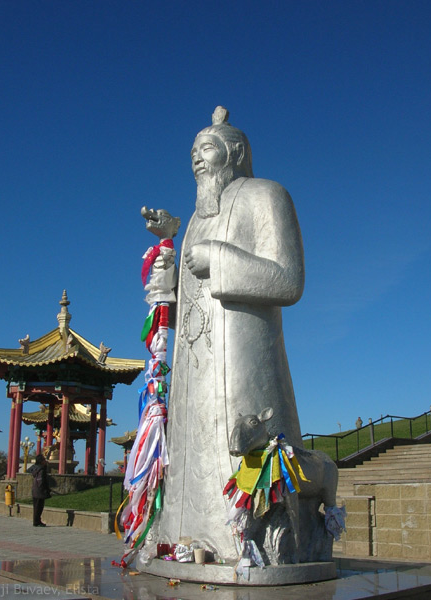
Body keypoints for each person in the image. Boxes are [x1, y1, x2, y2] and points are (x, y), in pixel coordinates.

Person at [153, 107, 305, 563]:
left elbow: (288, 279)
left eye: (206, 148)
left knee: (246, 446)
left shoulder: (267, 195)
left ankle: (248, 542)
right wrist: (168, 283)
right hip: (195, 367)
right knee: (194, 446)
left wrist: (218, 256)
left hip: (245, 355)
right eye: (193, 152)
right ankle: (187, 535)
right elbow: (190, 311)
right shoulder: (194, 223)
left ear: (234, 151)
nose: (196, 159)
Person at [29, 454, 51, 527]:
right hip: (39, 490)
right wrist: (43, 489)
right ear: (41, 461)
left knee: (36, 506)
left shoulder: (35, 469)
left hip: (35, 489)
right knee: (39, 507)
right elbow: (40, 480)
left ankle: (36, 521)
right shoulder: (41, 469)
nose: (45, 461)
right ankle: (37, 522)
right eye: (44, 460)